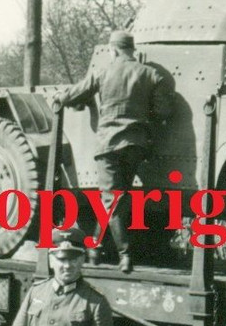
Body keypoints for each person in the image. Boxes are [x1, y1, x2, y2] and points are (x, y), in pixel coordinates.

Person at [51, 30, 172, 273]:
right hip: (136, 145)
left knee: (111, 200)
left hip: (109, 144)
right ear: (132, 50)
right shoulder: (151, 74)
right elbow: (163, 111)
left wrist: (60, 98)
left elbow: (77, 92)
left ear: (113, 50)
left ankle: (124, 255)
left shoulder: (103, 71)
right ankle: (94, 248)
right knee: (117, 200)